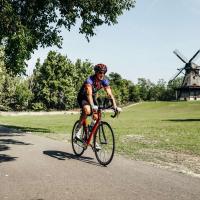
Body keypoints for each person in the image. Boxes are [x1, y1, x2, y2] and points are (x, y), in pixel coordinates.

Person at [75, 63, 118, 140]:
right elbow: (89, 94)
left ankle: (90, 133)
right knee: (87, 110)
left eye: (104, 73)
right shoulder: (90, 80)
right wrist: (92, 106)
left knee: (96, 117)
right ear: (96, 72)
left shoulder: (104, 80)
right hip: (83, 97)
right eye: (100, 72)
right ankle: (78, 128)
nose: (102, 74)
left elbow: (110, 94)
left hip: (93, 97)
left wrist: (115, 106)